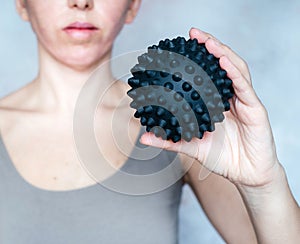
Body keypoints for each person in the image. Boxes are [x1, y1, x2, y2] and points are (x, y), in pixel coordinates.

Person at [0, 0, 298, 243]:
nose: (81, 3)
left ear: (132, 6)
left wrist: (265, 183)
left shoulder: (179, 131)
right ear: (22, 5)